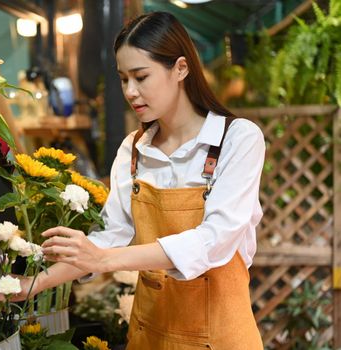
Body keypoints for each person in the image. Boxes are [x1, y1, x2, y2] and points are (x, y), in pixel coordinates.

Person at [15, 11, 265, 349]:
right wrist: (34, 283)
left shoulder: (238, 140)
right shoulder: (133, 150)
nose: (130, 92)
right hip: (150, 335)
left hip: (220, 338)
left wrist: (105, 259)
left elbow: (214, 240)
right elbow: (107, 240)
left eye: (141, 76)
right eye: (123, 79)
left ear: (181, 68)